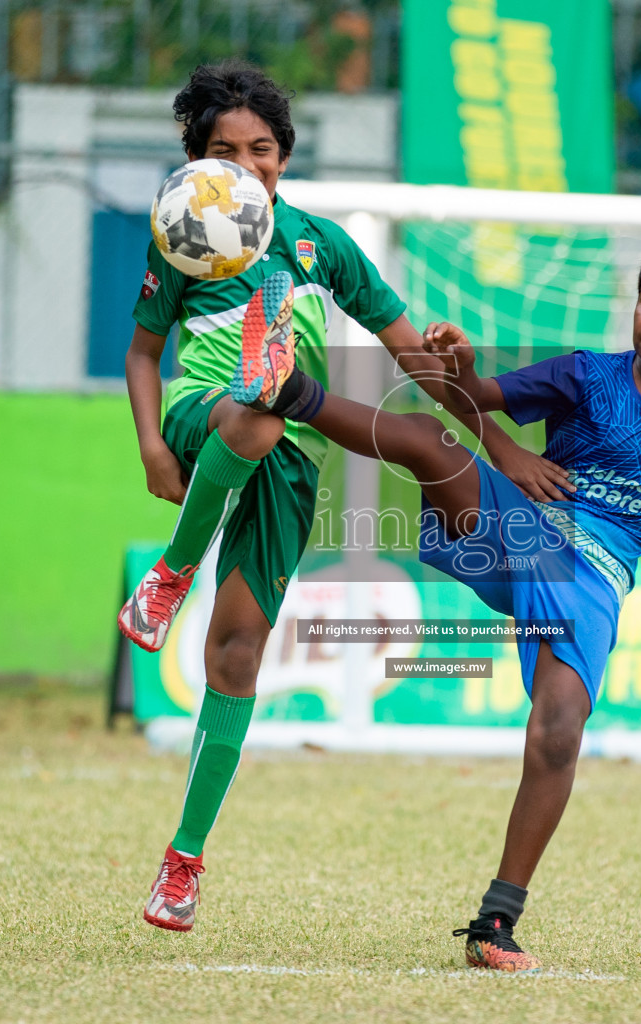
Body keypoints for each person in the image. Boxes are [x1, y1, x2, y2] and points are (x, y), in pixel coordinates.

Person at [123, 60, 570, 933]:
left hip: (289, 463)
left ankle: (182, 864)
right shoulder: (182, 236)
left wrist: (504, 443)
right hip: (201, 415)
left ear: (284, 156)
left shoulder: (320, 244)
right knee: (252, 414)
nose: (246, 165)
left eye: (261, 149)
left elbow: (413, 354)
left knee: (237, 656)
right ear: (197, 162)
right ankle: (174, 574)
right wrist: (148, 444)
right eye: (224, 150)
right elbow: (144, 354)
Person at [237, 239, 641, 970]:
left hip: (593, 581)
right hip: (527, 529)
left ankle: (495, 925)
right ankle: (286, 391)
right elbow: (468, 397)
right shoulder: (583, 374)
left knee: (560, 732)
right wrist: (469, 380)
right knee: (428, 440)